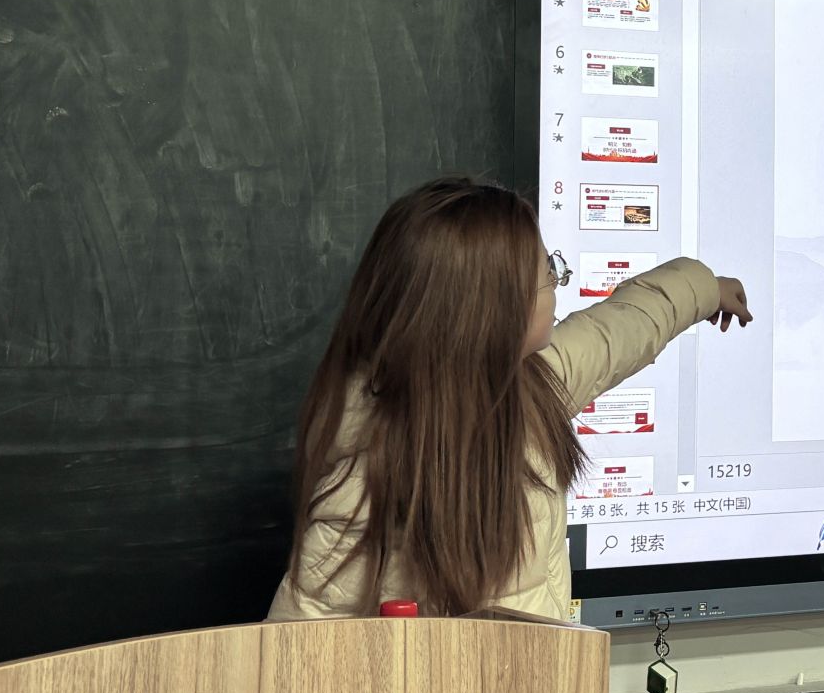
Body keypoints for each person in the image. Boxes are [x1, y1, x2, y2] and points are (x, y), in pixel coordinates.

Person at [267, 176, 751, 622]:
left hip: (536, 680)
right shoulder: (357, 487)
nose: (557, 280)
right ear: (493, 310)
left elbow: (619, 330)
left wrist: (706, 288)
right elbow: (301, 654)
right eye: (547, 271)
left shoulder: (533, 382)